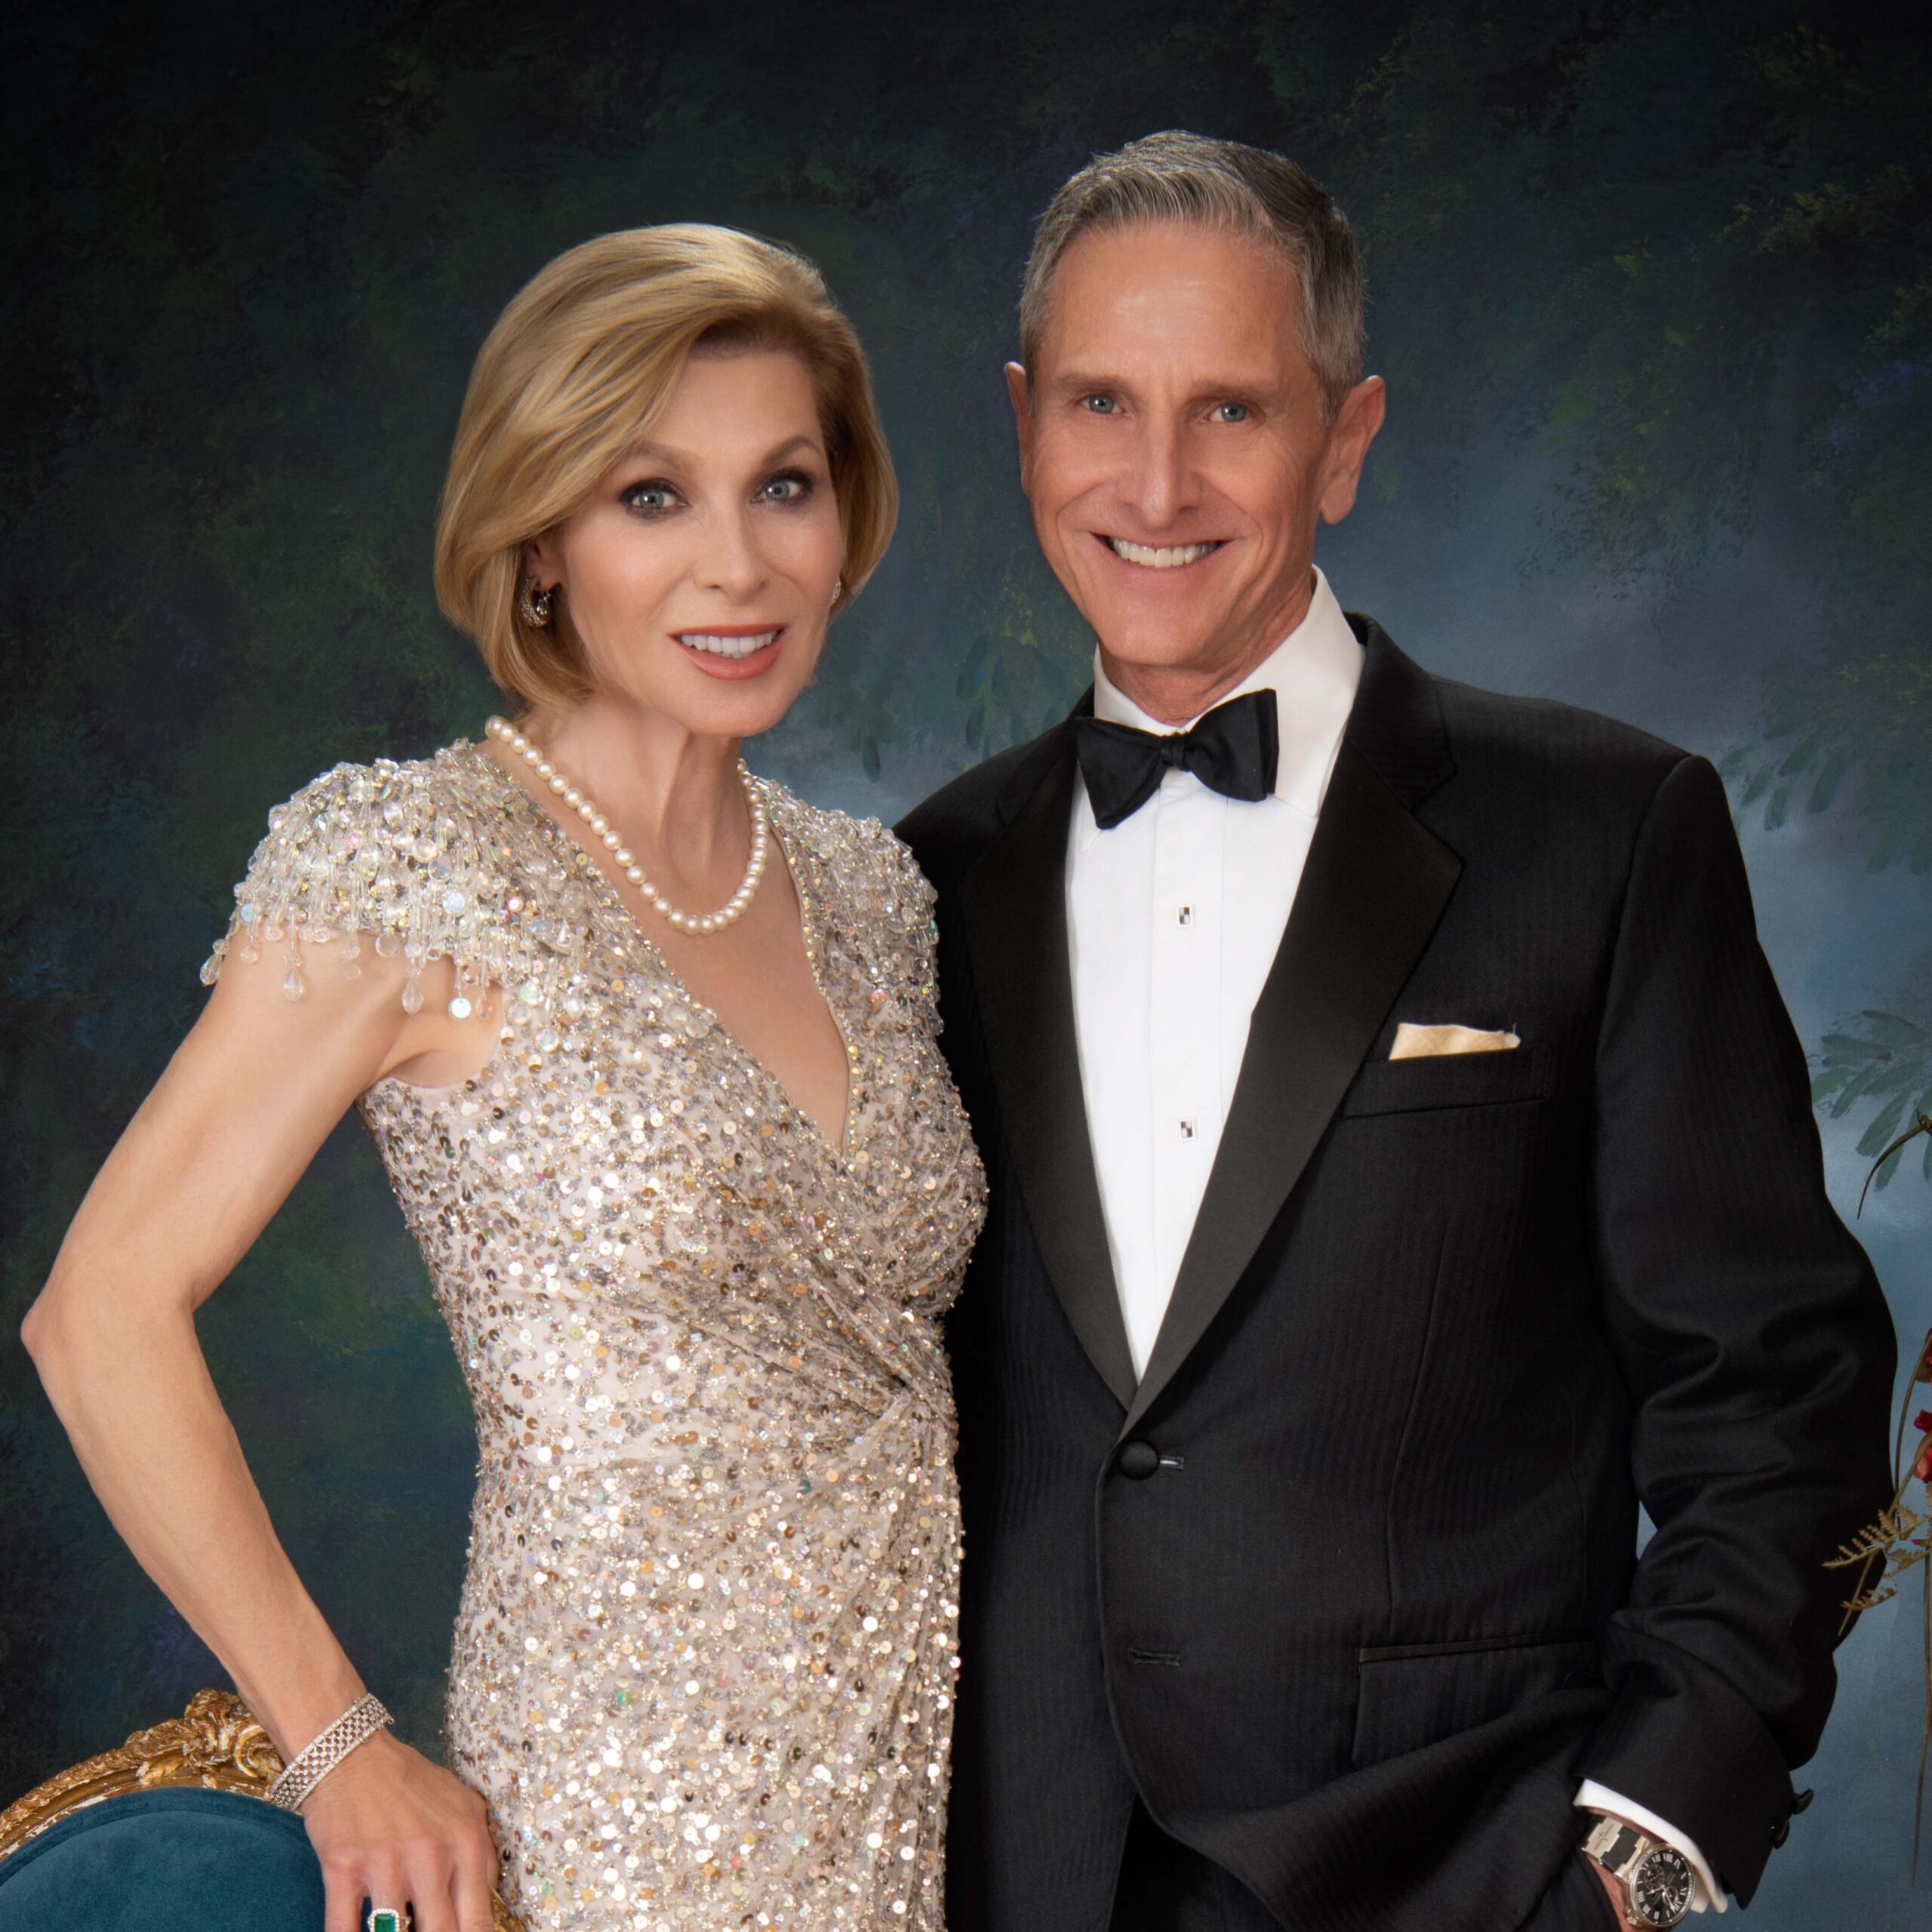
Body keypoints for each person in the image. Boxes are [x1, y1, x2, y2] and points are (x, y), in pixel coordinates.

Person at [897, 132, 1896, 1932]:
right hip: (1010, 1869)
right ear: (1023, 422)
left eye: (1232, 412)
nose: (1154, 479)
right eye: (1102, 403)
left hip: (1455, 1870)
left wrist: (1643, 1838)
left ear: (1344, 439)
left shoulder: (1603, 826)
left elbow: (1775, 1385)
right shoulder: (919, 883)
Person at [22, 224, 985, 1932]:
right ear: (539, 539)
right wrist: (331, 1738)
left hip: (914, 1792)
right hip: (612, 1810)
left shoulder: (871, 894)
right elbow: (97, 1313)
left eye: (783, 485)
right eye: (649, 497)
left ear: (845, 525)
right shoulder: (407, 862)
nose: (736, 566)